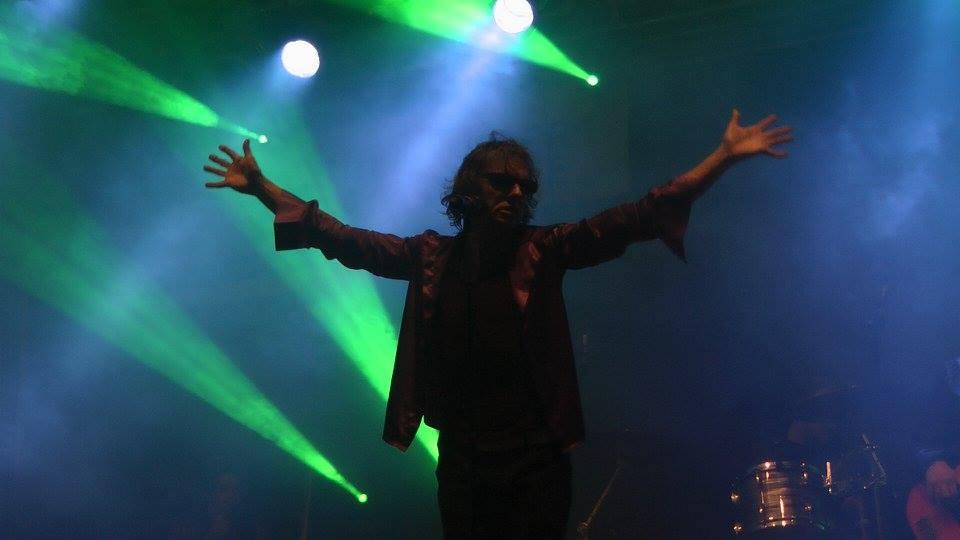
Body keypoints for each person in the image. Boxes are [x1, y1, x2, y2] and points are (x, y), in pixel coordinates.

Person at [204, 110, 792, 538]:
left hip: (535, 460)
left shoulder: (545, 249)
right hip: (463, 459)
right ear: (468, 189)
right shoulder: (429, 257)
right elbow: (343, 239)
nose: (515, 191)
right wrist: (261, 188)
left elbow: (638, 216)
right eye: (500, 181)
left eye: (525, 186)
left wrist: (721, 158)